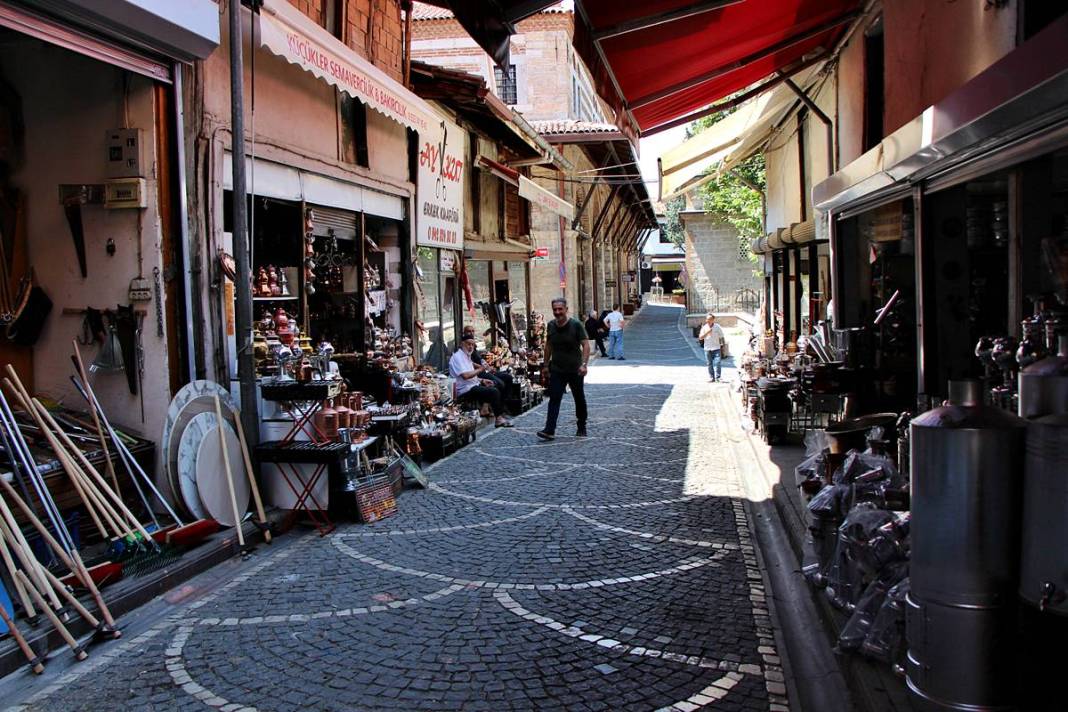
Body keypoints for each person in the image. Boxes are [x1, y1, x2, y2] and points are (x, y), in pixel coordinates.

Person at [537, 297, 589, 440]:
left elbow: (586, 345)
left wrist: (584, 365)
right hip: (557, 369)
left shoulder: (576, 325)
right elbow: (548, 346)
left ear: (566, 309)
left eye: (560, 309)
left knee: (579, 398)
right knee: (554, 398)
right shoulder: (551, 325)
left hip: (575, 370)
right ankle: (549, 429)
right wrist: (546, 365)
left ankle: (581, 425)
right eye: (555, 309)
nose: (558, 312)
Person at [449, 334, 513, 427]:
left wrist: (482, 380)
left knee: (495, 384)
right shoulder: (457, 357)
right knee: (493, 392)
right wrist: (481, 369)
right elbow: (465, 376)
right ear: (462, 344)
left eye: (472, 345)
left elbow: (470, 375)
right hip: (464, 389)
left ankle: (497, 412)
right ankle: (498, 418)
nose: (471, 347)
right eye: (468, 344)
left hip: (472, 385)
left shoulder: (466, 356)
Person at [462, 325, 515, 399]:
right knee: (500, 384)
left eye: (472, 331)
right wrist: (483, 368)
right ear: (464, 333)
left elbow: (480, 360)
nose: (471, 333)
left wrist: (488, 367)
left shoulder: (474, 346)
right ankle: (498, 406)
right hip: (478, 374)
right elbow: (469, 363)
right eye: (468, 331)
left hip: (485, 370)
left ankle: (507, 402)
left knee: (508, 377)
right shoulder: (464, 348)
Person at [698, 312, 726, 382]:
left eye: (709, 319)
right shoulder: (704, 327)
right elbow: (700, 338)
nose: (708, 321)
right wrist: (707, 332)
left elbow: (721, 337)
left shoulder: (717, 327)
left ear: (713, 320)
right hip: (707, 348)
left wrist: (723, 346)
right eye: (707, 319)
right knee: (709, 363)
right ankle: (711, 377)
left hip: (716, 348)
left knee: (718, 362)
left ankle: (718, 377)